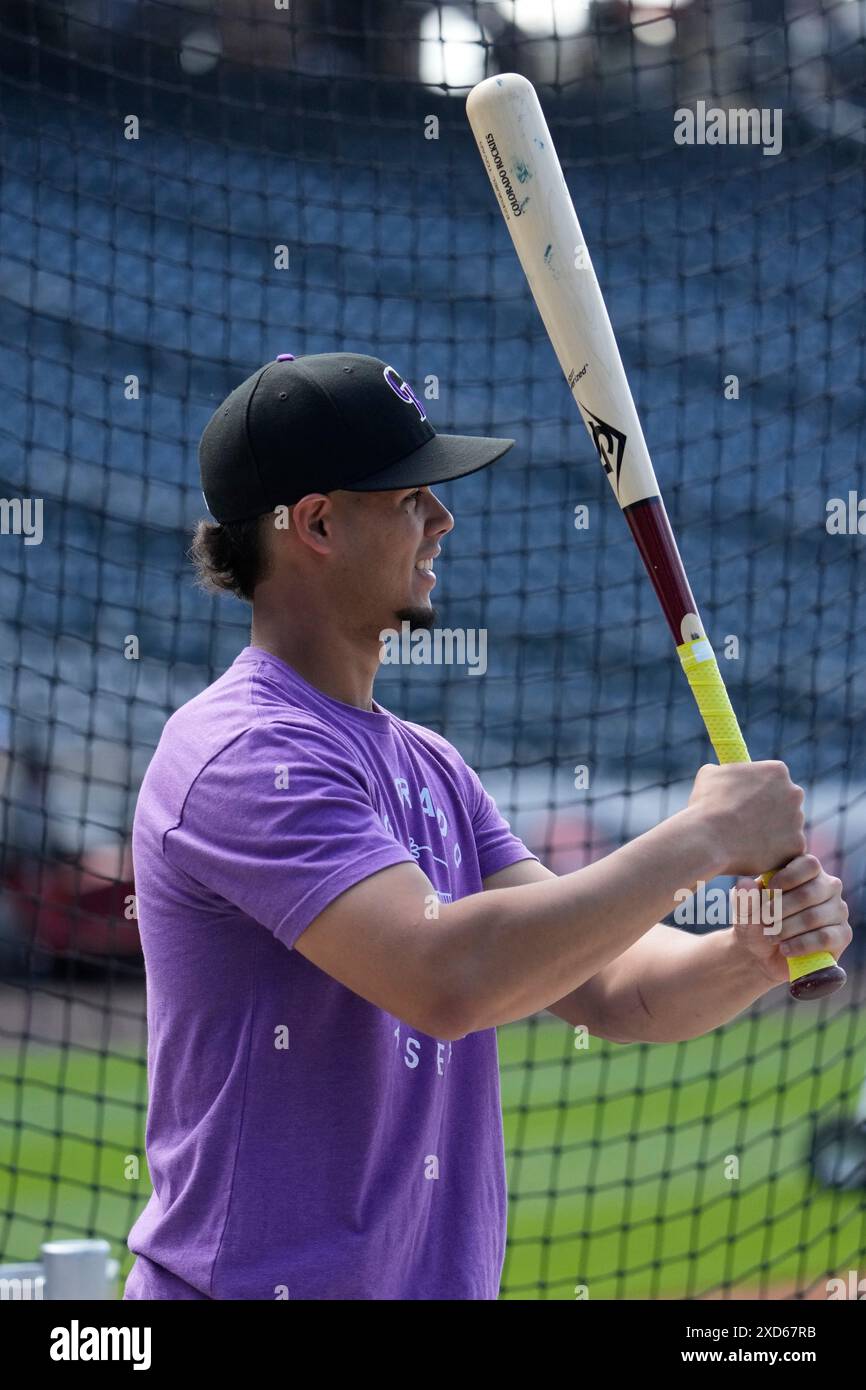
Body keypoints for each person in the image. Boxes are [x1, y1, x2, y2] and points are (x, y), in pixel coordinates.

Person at [123, 351, 851, 1301]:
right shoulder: (242, 752)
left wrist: (748, 953)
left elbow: (616, 990)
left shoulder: (432, 766)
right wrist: (702, 839)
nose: (443, 521)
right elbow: (449, 977)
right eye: (409, 498)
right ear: (316, 523)